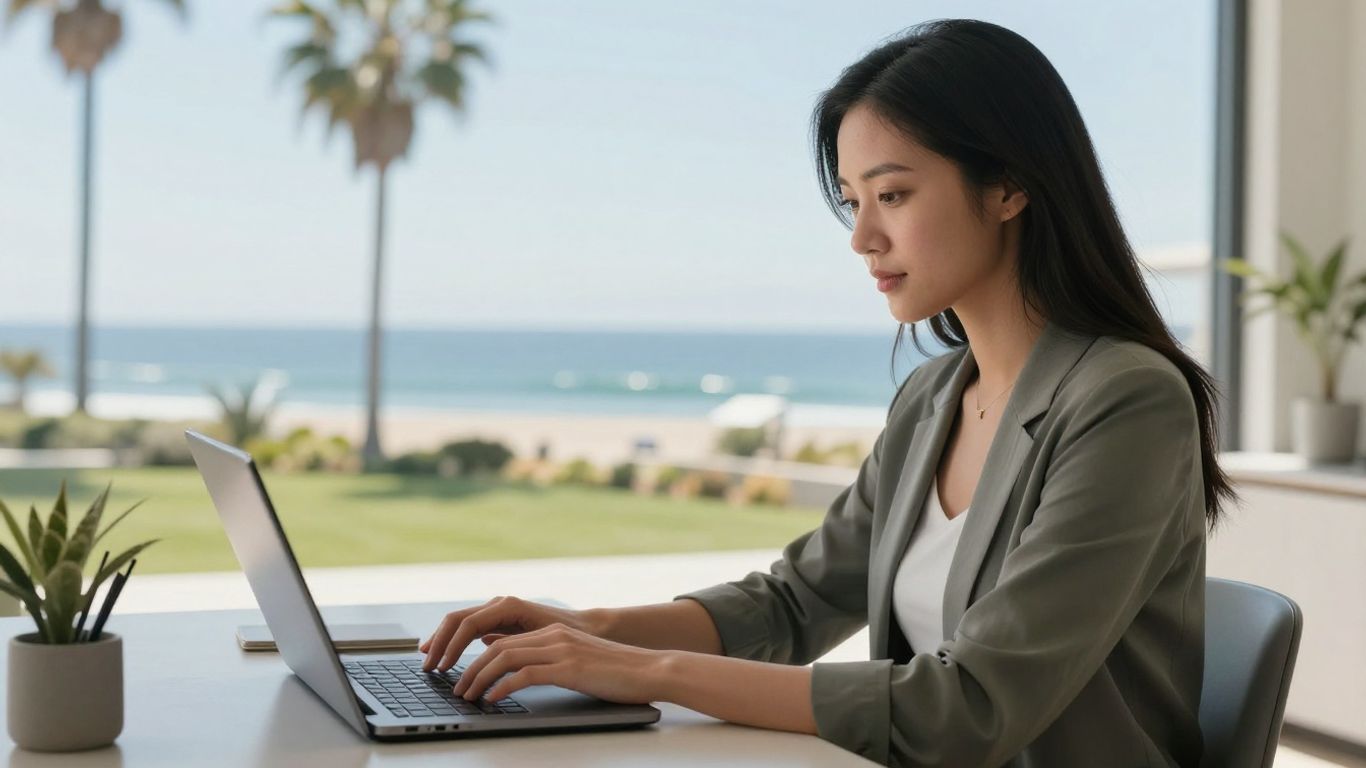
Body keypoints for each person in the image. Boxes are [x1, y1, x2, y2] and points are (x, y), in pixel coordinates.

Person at [418, 18, 1235, 767]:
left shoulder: (1128, 403)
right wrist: (582, 631)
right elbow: (793, 605)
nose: (862, 237)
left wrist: (646, 672)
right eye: (852, 201)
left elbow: (971, 707)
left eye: (894, 195)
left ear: (1008, 188)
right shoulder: (932, 398)